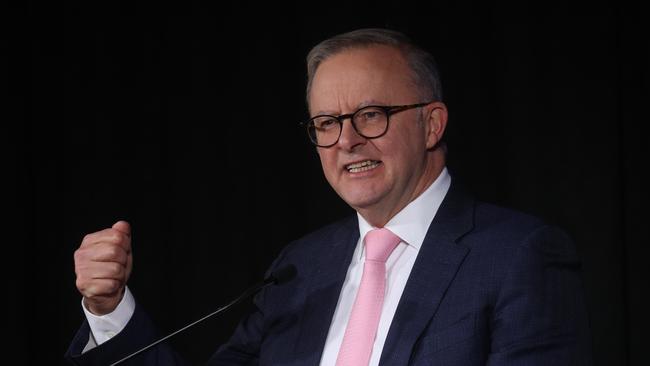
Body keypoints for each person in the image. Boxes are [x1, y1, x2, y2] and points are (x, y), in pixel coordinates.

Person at [66, 28, 593, 365]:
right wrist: (110, 311)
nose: (347, 140)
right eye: (326, 122)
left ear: (431, 124)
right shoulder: (301, 266)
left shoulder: (519, 255)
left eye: (371, 115)